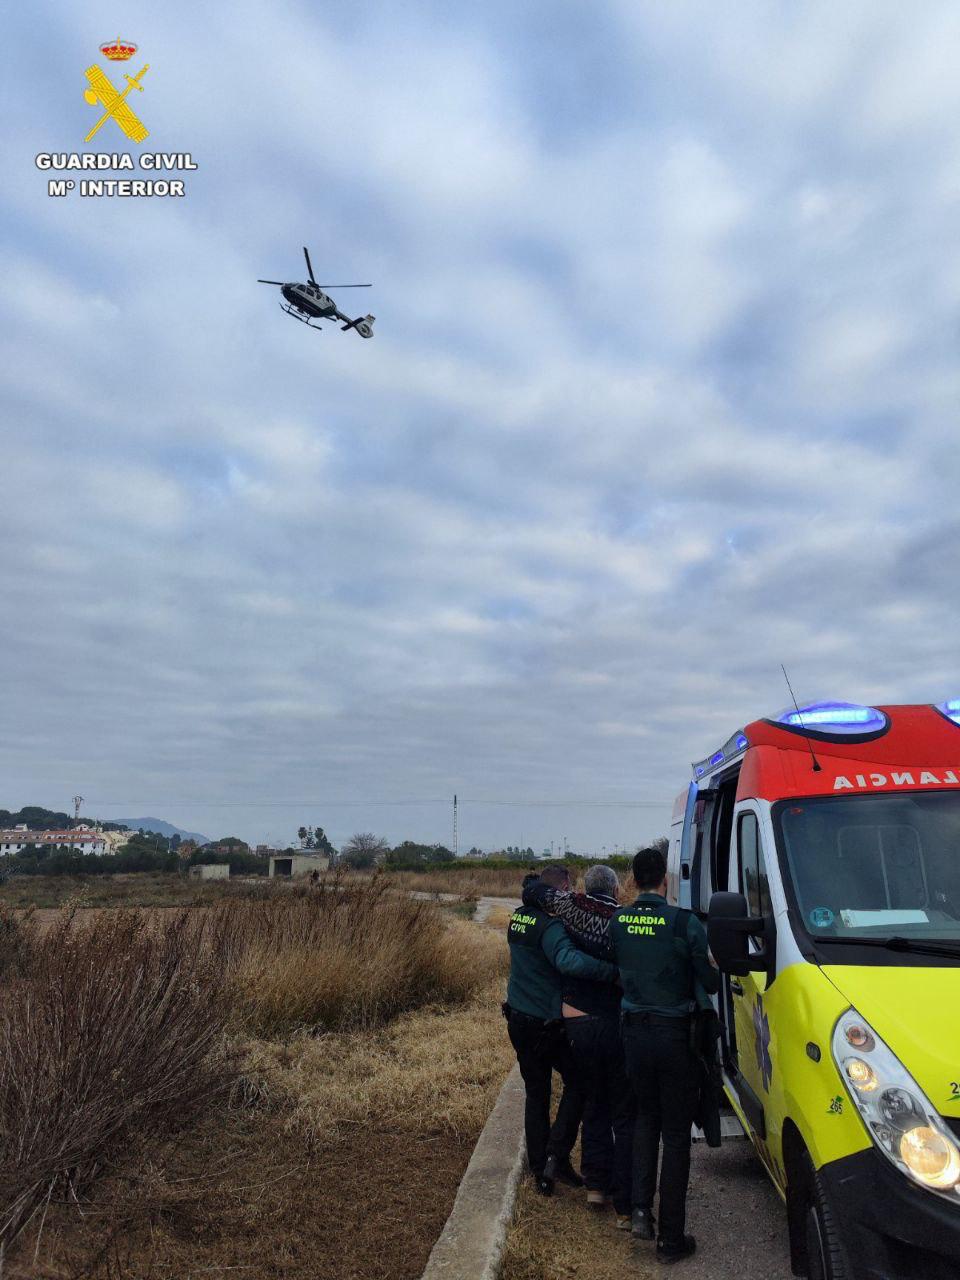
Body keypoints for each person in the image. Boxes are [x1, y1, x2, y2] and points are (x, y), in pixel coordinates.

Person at [609, 846, 719, 1264]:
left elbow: (620, 964)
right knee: (675, 1135)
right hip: (675, 1038)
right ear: (666, 881)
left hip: (634, 1036)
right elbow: (708, 981)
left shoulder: (619, 921)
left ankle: (640, 1211)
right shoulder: (684, 923)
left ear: (633, 882)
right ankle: (671, 1239)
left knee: (644, 1121)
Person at [522, 864, 636, 1230]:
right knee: (623, 1109)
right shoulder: (623, 922)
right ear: (617, 889)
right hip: (615, 1021)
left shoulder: (570, 911)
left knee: (593, 1102)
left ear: (584, 889)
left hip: (577, 1022)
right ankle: (624, 1201)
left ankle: (595, 1186)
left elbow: (535, 892)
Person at [504, 864, 619, 1195]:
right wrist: (611, 971)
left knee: (536, 1094)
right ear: (562, 889)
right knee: (579, 1083)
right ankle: (556, 1154)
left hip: (518, 1017)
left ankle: (542, 1170)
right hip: (544, 1022)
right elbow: (569, 962)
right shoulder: (551, 926)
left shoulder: (519, 918)